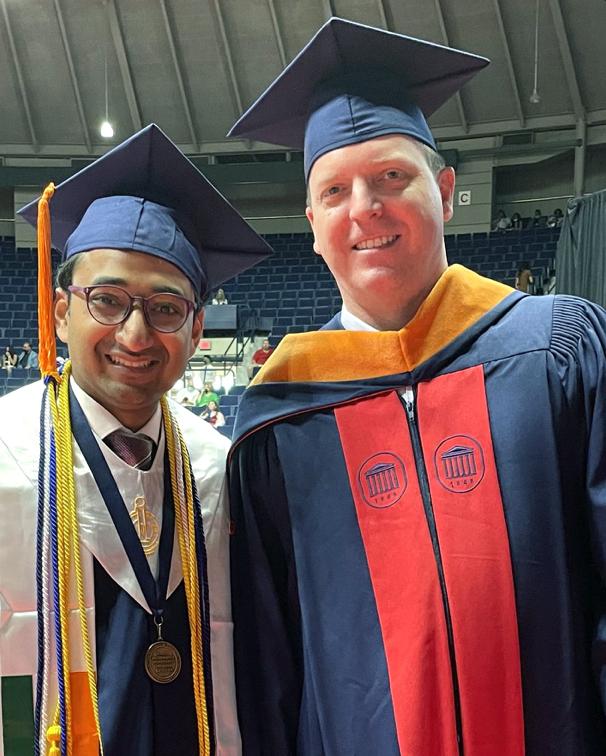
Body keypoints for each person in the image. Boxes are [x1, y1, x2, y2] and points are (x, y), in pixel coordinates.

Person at [226, 18, 606, 755]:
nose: (365, 206)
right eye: (335, 190)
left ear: (447, 188)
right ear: (312, 224)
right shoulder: (281, 421)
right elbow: (271, 662)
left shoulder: (558, 351)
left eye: (393, 177)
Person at [0, 124, 271, 756]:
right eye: (106, 301)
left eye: (166, 309)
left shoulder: (224, 467)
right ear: (60, 311)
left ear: (197, 328)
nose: (135, 335)